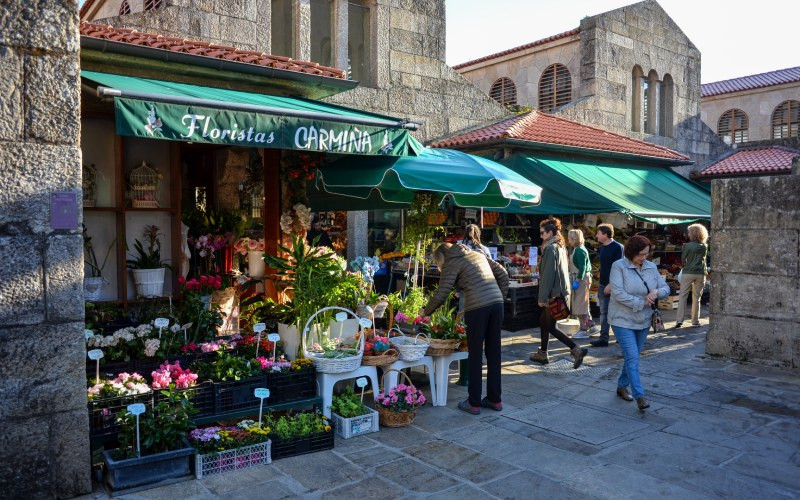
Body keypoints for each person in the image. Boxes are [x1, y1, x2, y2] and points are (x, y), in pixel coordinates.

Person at [420, 243, 509, 415]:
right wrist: (500, 297)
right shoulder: (477, 254)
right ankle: (495, 399)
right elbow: (503, 274)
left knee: (475, 354)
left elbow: (442, 292)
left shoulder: (451, 262)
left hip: (477, 308)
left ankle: (474, 402)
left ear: (440, 258)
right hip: (496, 305)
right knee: (494, 353)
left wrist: (426, 311)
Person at [608, 235, 669, 411]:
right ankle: (639, 395)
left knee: (632, 357)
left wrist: (656, 292)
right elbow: (618, 294)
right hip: (621, 319)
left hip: (643, 320)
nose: (644, 257)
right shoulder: (618, 266)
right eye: (640, 254)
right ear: (631, 252)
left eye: (646, 254)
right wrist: (641, 302)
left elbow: (666, 288)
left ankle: (621, 385)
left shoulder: (651, 267)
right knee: (633, 357)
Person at [530, 218, 588, 368]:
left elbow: (548, 275)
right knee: (544, 322)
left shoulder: (550, 248)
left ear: (550, 233)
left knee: (549, 326)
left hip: (553, 294)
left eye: (543, 233)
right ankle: (543, 353)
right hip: (560, 292)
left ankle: (576, 349)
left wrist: (542, 298)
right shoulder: (560, 246)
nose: (541, 236)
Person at [590, 223, 624, 348]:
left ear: (605, 234)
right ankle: (604, 338)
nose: (596, 236)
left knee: (616, 312)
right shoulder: (602, 248)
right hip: (603, 284)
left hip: (614, 285)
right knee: (603, 312)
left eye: (598, 233)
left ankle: (621, 337)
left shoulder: (618, 247)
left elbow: (620, 268)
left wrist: (611, 284)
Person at [675, 224, 709, 328]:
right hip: (700, 273)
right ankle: (695, 321)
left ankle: (679, 320)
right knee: (697, 297)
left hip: (688, 272)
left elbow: (683, 259)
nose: (688, 234)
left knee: (683, 296)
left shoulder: (687, 246)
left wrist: (686, 265)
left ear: (692, 234)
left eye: (689, 232)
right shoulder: (705, 246)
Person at [567, 229, 596, 339]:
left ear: (574, 238)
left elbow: (583, 267)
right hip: (582, 278)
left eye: (569, 238)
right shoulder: (578, 249)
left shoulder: (579, 250)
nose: (568, 240)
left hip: (581, 279)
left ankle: (585, 328)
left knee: (579, 305)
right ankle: (590, 326)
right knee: (582, 304)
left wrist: (577, 280)